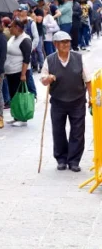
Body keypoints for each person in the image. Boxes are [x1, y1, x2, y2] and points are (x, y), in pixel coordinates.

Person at [40, 31, 90, 172]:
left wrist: (91, 97)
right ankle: (61, 158)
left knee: (78, 131)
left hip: (77, 100)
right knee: (58, 131)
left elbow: (88, 79)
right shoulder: (49, 60)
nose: (66, 44)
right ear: (55, 44)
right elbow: (43, 80)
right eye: (62, 42)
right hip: (58, 101)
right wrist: (48, 78)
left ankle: (74, 160)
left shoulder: (79, 58)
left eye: (67, 41)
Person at [4, 19, 33, 127]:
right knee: (13, 95)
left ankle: (22, 118)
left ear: (17, 28)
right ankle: (15, 116)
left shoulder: (25, 40)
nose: (9, 28)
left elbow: (26, 59)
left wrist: (23, 74)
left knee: (19, 96)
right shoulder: (12, 38)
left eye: (11, 26)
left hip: (19, 72)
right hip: (10, 71)